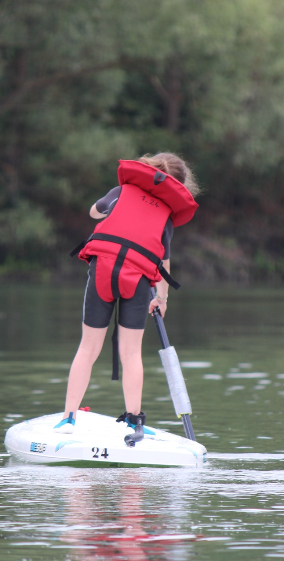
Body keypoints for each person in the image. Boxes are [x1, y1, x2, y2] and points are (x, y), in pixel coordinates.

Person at [55, 153, 200, 438]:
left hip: (103, 272)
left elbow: (94, 212)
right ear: (178, 186)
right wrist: (162, 298)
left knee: (88, 348)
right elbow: (164, 262)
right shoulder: (167, 216)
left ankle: (68, 418)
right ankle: (135, 422)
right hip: (138, 281)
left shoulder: (121, 191)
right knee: (131, 353)